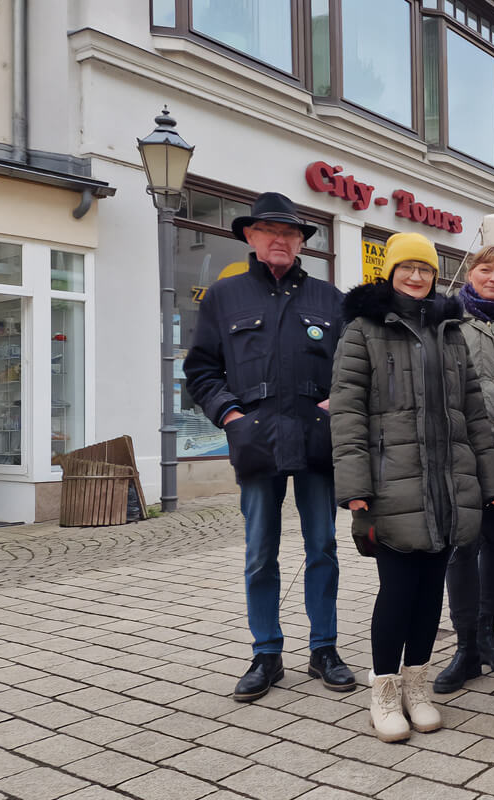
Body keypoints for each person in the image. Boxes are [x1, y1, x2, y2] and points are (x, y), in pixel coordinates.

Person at [330, 232, 494, 742]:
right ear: (391, 272)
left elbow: (473, 413)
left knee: (431, 595)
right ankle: (383, 691)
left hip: (448, 485)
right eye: (407, 267)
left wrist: (490, 483)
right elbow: (347, 414)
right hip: (392, 485)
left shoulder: (450, 331)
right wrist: (356, 490)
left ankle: (417, 685)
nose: (416, 277)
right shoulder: (363, 330)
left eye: (424, 269)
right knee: (398, 592)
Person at [185, 192, 355, 702]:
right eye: (269, 232)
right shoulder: (223, 296)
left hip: (315, 438)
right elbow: (201, 370)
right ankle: (266, 653)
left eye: (290, 233)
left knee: (322, 546)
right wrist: (231, 417)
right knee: (260, 553)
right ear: (251, 238)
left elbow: (351, 369)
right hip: (256, 441)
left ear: (301, 242)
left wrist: (334, 406)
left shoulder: (331, 299)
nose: (280, 240)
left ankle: (323, 648)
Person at [434, 246, 494, 693]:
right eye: (486, 270)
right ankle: (466, 646)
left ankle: (491, 635)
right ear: (470, 274)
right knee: (462, 545)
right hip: (463, 453)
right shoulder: (447, 321)